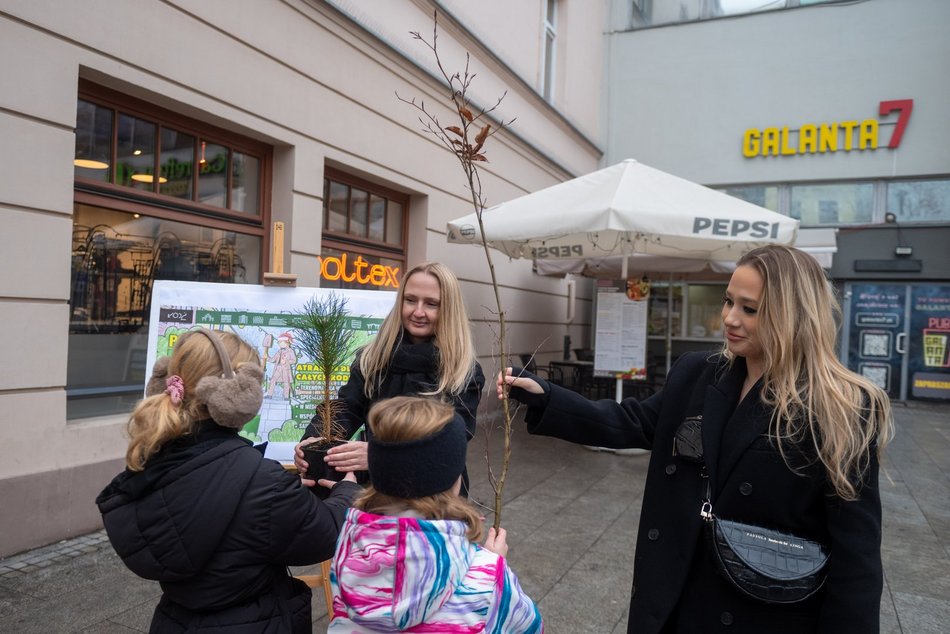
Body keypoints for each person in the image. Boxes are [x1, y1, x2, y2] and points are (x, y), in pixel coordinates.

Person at [497, 245, 893, 633]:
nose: (729, 318)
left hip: (764, 613)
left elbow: (856, 562)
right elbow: (630, 422)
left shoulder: (843, 408)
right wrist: (546, 396)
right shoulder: (698, 373)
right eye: (728, 301)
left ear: (793, 316)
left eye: (749, 309)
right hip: (675, 598)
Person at [96, 328, 360, 633]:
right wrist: (347, 493)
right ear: (236, 394)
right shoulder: (260, 481)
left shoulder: (150, 462)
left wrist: (284, 499)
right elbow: (324, 536)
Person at [328, 396, 543, 632]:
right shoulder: (489, 576)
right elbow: (530, 627)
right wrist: (493, 564)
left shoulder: (346, 550)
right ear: (454, 481)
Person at [295, 261, 485, 495]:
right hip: (377, 491)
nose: (418, 312)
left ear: (448, 309)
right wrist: (314, 439)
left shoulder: (463, 370)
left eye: (431, 304)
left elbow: (450, 445)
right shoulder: (372, 357)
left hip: (436, 495)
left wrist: (378, 454)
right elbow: (346, 407)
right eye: (410, 300)